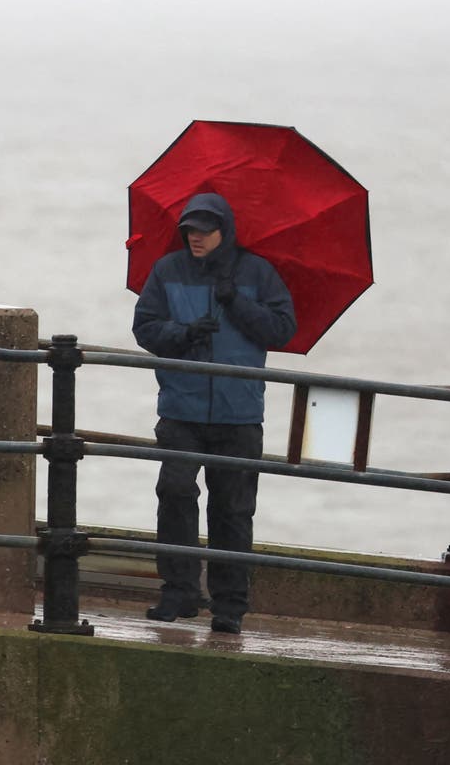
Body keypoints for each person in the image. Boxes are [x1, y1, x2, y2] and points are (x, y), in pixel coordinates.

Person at [132, 192, 296, 634]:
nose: (196, 237)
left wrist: (236, 303)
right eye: (190, 230)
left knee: (233, 511)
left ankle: (230, 606)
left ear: (226, 230)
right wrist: (183, 333)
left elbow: (283, 329)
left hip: (239, 413)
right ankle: (179, 592)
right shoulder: (167, 270)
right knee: (175, 492)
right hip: (181, 410)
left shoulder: (258, 272)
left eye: (204, 230)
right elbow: (145, 328)